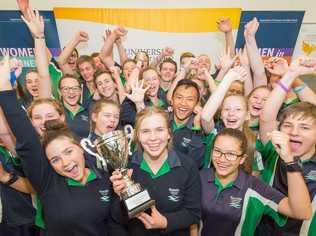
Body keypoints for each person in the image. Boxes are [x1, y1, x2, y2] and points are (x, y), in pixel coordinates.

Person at [0, 54, 116, 235]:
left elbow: (115, 221)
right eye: (54, 159)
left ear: (82, 147)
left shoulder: (101, 171)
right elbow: (25, 138)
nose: (65, 162)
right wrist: (5, 86)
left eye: (69, 151)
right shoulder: (48, 180)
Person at [198, 128, 312, 236]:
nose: (222, 159)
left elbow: (302, 212)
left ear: (242, 159)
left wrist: (290, 161)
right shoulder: (198, 178)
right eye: (217, 151)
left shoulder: (255, 188)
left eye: (231, 154)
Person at [110, 107, 201, 236]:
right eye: (146, 131)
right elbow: (117, 220)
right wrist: (119, 196)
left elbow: (193, 214)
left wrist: (165, 222)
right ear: (138, 136)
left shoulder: (187, 166)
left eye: (159, 130)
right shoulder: (126, 167)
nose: (153, 138)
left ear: (169, 133)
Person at [257, 57, 316, 235]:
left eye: (304, 127)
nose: (294, 132)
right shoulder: (274, 151)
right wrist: (290, 74)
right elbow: (266, 117)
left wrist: (296, 77)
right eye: (288, 126)